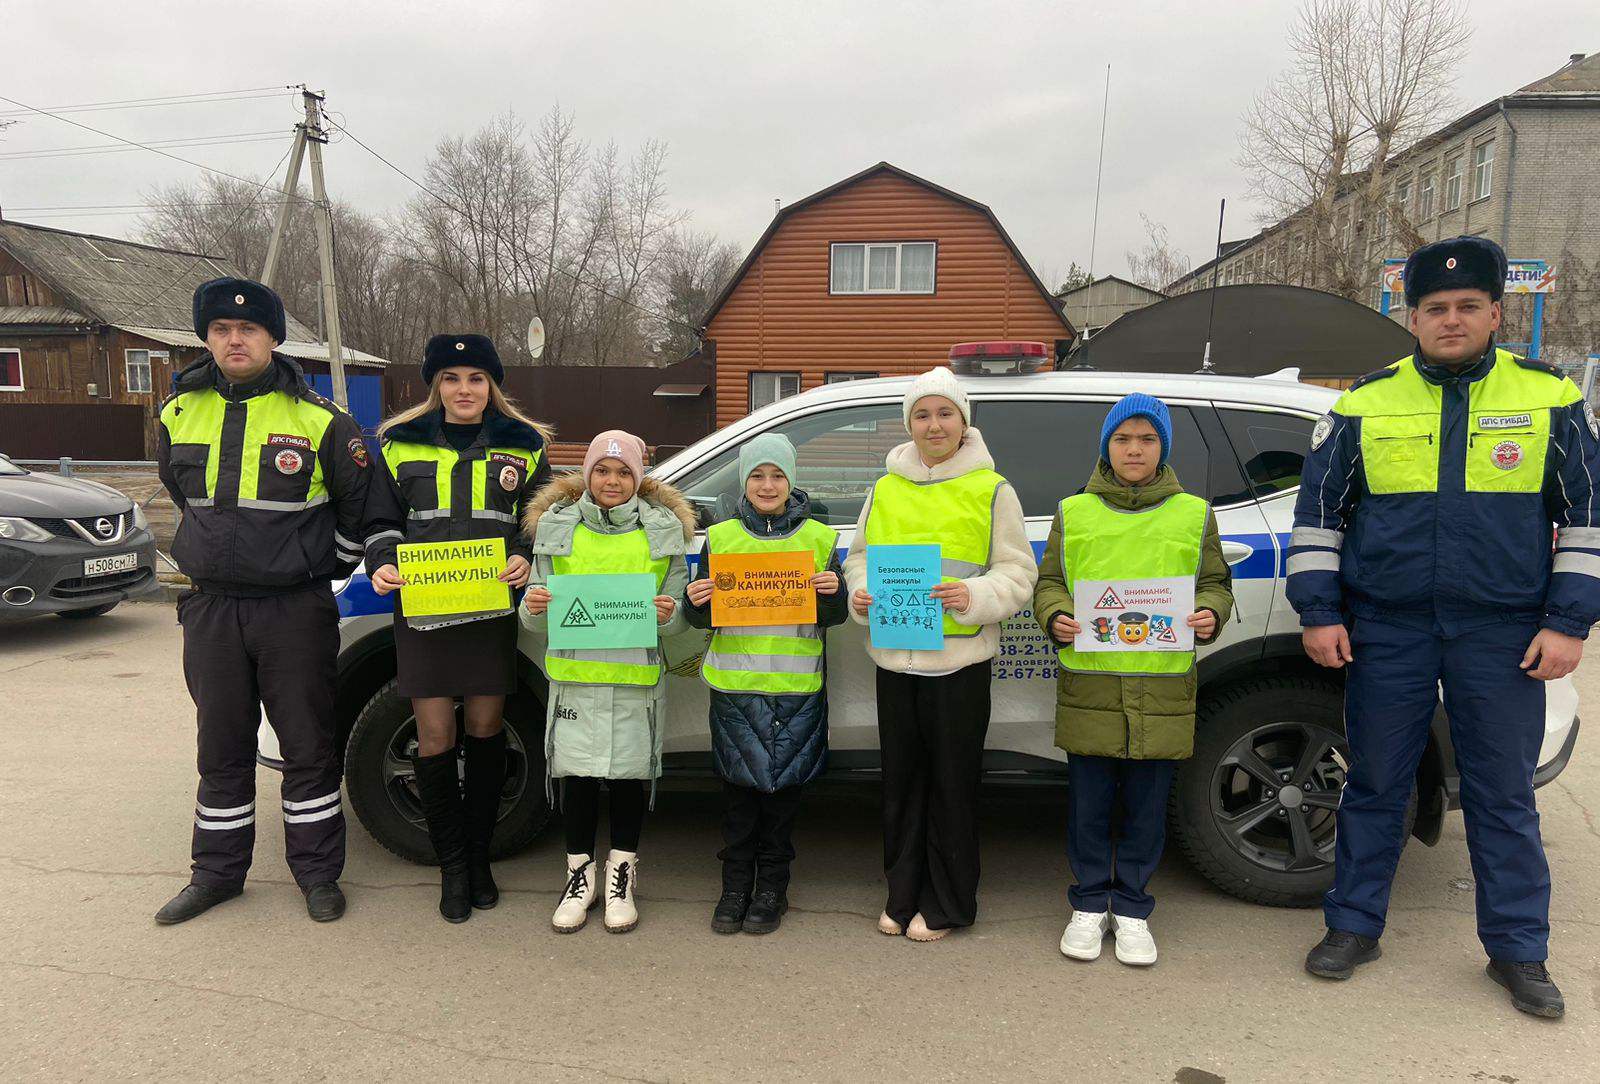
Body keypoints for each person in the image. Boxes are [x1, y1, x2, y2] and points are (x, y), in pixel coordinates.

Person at [1288, 236, 1600, 1018]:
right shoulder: (1365, 402)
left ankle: (1519, 951)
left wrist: (1569, 623)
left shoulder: (1550, 398)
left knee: (1502, 797)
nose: (1451, 320)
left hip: (1502, 631)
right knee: (1375, 785)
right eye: (1435, 309)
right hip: (1388, 626)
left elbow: (1589, 516)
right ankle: (1355, 926)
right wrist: (1320, 612)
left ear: (1497, 312)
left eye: (1467, 307)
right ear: (1413, 317)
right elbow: (1319, 518)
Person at [153, 277, 382, 925]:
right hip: (213, 610)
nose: (235, 339)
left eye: (249, 329)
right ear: (206, 337)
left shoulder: (319, 419)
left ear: (273, 338)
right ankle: (217, 874)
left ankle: (316, 876)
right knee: (220, 746)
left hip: (294, 610)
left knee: (308, 746)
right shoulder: (176, 413)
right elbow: (179, 494)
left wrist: (320, 568)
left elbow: (356, 509)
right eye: (222, 329)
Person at [1033, 394, 1233, 966]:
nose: (1135, 449)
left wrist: (1208, 614)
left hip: (1163, 686)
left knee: (1147, 807)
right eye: (1123, 439)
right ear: (1106, 447)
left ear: (1163, 447)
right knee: (1089, 807)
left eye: (1147, 439)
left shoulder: (1195, 514)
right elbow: (1051, 584)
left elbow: (1215, 583)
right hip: (1091, 685)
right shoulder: (1074, 512)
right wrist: (1056, 617)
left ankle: (1134, 908)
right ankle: (1089, 904)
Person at [842, 367, 1037, 941]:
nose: (934, 425)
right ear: (909, 424)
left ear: (963, 422)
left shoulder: (992, 488)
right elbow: (858, 557)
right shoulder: (885, 488)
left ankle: (948, 903)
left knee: (953, 789)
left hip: (958, 665)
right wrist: (860, 592)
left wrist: (974, 595)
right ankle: (902, 895)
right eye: (922, 414)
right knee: (901, 785)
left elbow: (1018, 573)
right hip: (894, 663)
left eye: (945, 413)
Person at [364, 334, 551, 923]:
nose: (464, 390)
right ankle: (452, 866)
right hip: (423, 608)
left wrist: (525, 553)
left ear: (491, 385)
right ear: (434, 386)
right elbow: (379, 518)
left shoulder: (525, 445)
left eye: (475, 378)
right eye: (451, 378)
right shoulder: (398, 444)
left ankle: (480, 857)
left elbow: (541, 519)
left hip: (490, 609)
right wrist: (383, 562)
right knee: (437, 736)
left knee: (487, 727)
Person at [520, 430, 693, 933]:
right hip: (574, 681)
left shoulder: (663, 531)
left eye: (623, 472)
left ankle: (622, 873)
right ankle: (579, 877)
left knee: (627, 779)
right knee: (576, 777)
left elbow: (678, 616)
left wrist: (668, 614)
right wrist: (532, 607)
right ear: (587, 475)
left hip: (635, 683)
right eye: (602, 470)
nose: (612, 481)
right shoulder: (556, 528)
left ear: (639, 478)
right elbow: (535, 611)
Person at [683, 434, 850, 935]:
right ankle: (735, 887)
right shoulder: (723, 537)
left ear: (792, 480)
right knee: (738, 798)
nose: (768, 484)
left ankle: (772, 888)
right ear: (743, 481)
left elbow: (835, 616)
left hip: (796, 692)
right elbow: (704, 618)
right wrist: (696, 601)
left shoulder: (820, 540)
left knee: (781, 799)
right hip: (736, 690)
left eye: (777, 475)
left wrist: (832, 592)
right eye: (757, 475)